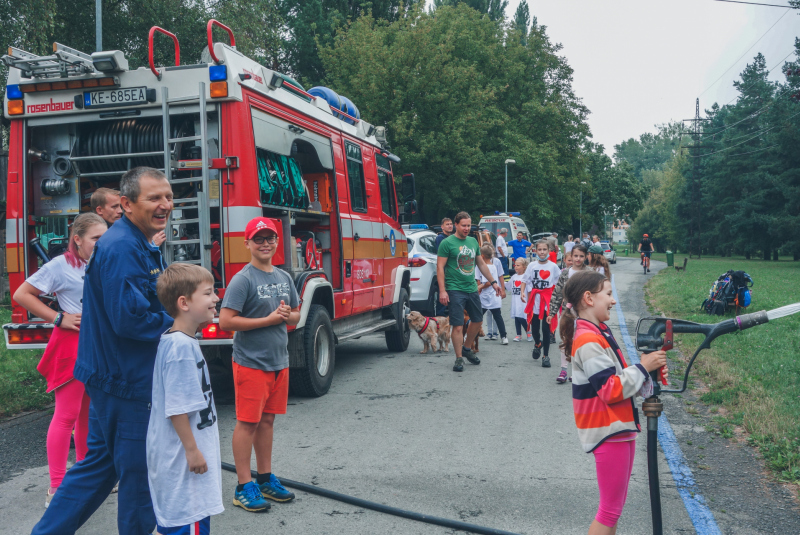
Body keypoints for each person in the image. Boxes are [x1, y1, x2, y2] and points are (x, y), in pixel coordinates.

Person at [32, 167, 175, 535]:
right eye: (154, 198)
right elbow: (129, 320)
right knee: (137, 474)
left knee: (98, 466)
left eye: (168, 196)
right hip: (125, 380)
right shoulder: (124, 248)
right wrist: (176, 323)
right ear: (126, 204)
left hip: (110, 375)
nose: (165, 205)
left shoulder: (136, 242)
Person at [559, 270, 668, 535]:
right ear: (588, 298)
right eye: (608, 294)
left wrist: (646, 376)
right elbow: (609, 389)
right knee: (609, 511)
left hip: (617, 429)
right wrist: (642, 368)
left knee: (613, 509)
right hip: (608, 431)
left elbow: (616, 378)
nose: (613, 300)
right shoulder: (588, 339)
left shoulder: (598, 332)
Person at [13, 213, 107, 508]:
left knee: (86, 413)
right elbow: (21, 293)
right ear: (77, 240)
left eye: (105, 238)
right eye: (96, 239)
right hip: (72, 345)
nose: (101, 244)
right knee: (66, 415)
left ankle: (83, 477)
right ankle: (57, 487)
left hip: (97, 345)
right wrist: (58, 317)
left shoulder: (102, 262)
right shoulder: (61, 265)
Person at [219, 217, 300, 512]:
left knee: (267, 421)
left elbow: (295, 316)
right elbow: (227, 321)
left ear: (277, 242)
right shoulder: (243, 279)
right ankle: (243, 486)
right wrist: (268, 319)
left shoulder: (284, 277)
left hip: (279, 362)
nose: (265, 244)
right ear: (247, 243)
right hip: (251, 363)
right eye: (259, 239)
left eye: (270, 238)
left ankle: (265, 478)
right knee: (248, 423)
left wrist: (286, 314)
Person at [149, 264, 224, 533]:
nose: (215, 298)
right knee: (188, 524)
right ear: (184, 303)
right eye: (208, 293)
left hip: (185, 465)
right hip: (184, 469)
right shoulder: (180, 347)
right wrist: (192, 451)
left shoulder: (181, 341)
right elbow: (177, 409)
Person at [437, 211, 501, 372]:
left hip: (471, 288)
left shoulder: (473, 242)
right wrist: (442, 291)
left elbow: (481, 264)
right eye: (463, 225)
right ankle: (459, 358)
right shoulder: (447, 243)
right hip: (454, 289)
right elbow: (440, 267)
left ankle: (466, 348)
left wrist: (493, 282)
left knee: (478, 320)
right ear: (456, 225)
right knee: (457, 326)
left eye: (468, 225)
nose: (466, 228)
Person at [548, 244, 588, 384]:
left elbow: (595, 293)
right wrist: (552, 312)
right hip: (567, 312)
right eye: (575, 256)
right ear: (571, 256)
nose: (578, 259)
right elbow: (558, 293)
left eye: (581, 256)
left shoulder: (589, 273)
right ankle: (564, 370)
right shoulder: (565, 273)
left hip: (584, 313)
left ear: (585, 257)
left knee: (581, 342)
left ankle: (577, 371)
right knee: (565, 339)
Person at [520, 240, 561, 367]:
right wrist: (522, 292)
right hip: (535, 300)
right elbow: (525, 280)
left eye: (544, 250)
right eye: (540, 250)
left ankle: (546, 356)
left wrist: (561, 297)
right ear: (535, 251)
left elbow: (559, 283)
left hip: (547, 300)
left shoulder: (553, 266)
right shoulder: (532, 266)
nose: (542, 252)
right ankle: (538, 343)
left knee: (546, 329)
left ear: (549, 251)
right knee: (535, 329)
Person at [477, 244, 508, 345]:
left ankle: (468, 335)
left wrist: (479, 288)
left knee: (477, 317)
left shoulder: (482, 267)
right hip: (493, 296)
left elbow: (486, 282)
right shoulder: (493, 266)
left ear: (482, 256)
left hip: (487, 296)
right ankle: (503, 336)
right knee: (498, 316)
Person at [505, 257, 532, 342]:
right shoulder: (514, 277)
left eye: (518, 265)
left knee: (522, 317)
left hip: (523, 301)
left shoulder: (526, 277)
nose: (515, 267)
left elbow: (529, 289)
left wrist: (529, 301)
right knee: (517, 317)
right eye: (515, 265)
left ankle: (528, 331)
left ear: (524, 267)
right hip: (515, 300)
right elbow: (508, 286)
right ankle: (518, 334)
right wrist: (501, 282)